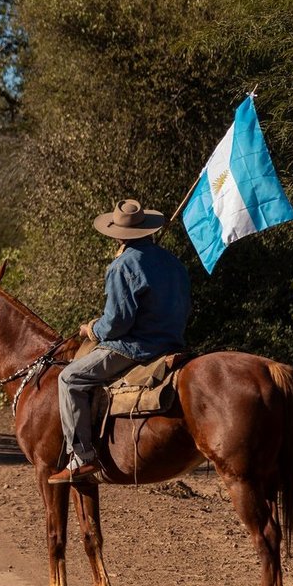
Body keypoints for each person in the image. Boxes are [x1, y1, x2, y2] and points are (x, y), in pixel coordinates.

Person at [49, 199, 191, 485]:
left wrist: (92, 330)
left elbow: (117, 323)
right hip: (172, 343)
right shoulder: (173, 262)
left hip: (134, 348)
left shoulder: (122, 266)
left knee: (69, 378)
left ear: (117, 234)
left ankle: (81, 458)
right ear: (148, 230)